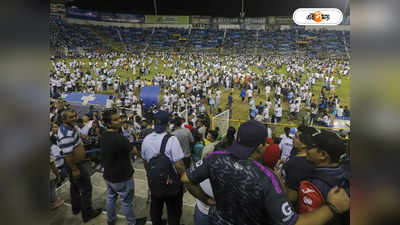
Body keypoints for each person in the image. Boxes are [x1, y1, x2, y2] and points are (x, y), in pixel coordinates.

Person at [181, 120, 350, 225]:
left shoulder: (215, 157)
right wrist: (332, 207)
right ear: (261, 146)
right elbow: (293, 222)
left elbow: (186, 178)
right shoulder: (267, 178)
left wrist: (207, 200)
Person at [100, 109, 146, 225]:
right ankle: (132, 223)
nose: (120, 121)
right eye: (116, 120)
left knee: (111, 198)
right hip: (122, 177)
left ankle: (111, 220)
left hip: (109, 175)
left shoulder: (104, 135)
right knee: (126, 202)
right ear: (109, 123)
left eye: (119, 118)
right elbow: (134, 151)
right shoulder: (120, 139)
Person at [141, 110, 187, 225]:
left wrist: (150, 175)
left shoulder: (146, 139)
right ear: (168, 124)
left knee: (156, 206)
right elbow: (179, 166)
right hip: (171, 184)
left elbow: (145, 162)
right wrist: (184, 180)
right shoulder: (172, 140)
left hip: (154, 182)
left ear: (153, 122)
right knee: (173, 211)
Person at [57, 109, 102, 223]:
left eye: (75, 116)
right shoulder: (65, 134)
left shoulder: (72, 127)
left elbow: (82, 136)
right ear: (64, 119)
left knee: (75, 186)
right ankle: (88, 213)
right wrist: (74, 169)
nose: (74, 118)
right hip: (76, 165)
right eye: (71, 117)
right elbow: (67, 154)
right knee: (87, 188)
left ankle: (76, 208)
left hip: (77, 163)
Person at [297, 130, 350, 225]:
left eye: (310, 147)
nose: (307, 150)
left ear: (323, 155)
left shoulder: (312, 185)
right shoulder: (346, 171)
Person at [282, 125, 315, 194]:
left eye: (296, 137)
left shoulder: (296, 164)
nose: (293, 138)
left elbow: (291, 196)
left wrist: (277, 178)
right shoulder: (311, 159)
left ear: (304, 144)